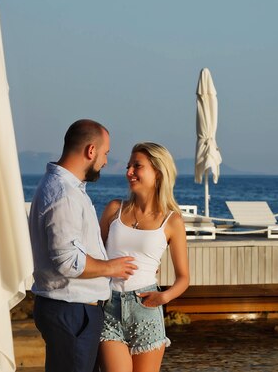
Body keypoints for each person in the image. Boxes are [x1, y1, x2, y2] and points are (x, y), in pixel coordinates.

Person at [28, 119, 138, 372]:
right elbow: (68, 261)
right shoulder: (64, 194)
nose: (106, 161)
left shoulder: (64, 188)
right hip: (71, 311)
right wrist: (111, 268)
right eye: (106, 153)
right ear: (91, 151)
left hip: (71, 311)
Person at [98, 142, 190, 372]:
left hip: (146, 309)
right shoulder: (114, 209)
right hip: (109, 306)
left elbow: (184, 278)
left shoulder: (172, 221)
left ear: (157, 172)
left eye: (136, 166)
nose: (129, 172)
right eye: (129, 166)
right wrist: (108, 267)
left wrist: (164, 297)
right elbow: (94, 255)